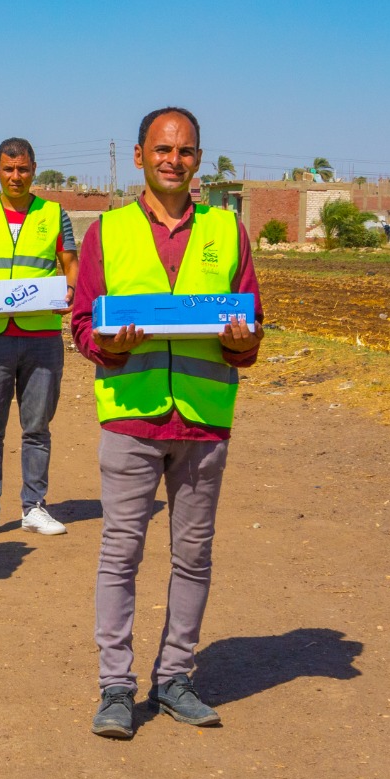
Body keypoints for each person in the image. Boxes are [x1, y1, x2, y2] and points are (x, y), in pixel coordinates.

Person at [70, 107, 263, 739]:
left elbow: (251, 328)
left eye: (185, 151)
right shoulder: (109, 231)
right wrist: (111, 348)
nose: (173, 160)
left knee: (193, 556)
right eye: (162, 149)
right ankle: (116, 688)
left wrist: (241, 341)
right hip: (131, 415)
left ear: (198, 160)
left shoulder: (229, 232)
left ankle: (176, 677)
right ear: (139, 156)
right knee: (120, 554)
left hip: (204, 419)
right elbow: (80, 322)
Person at [0, 138, 78, 542]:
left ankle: (34, 507)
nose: (16, 176)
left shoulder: (54, 214)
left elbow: (71, 265)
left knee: (37, 428)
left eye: (23, 169)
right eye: (9, 169)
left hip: (41, 337)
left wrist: (71, 291)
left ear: (34, 169)